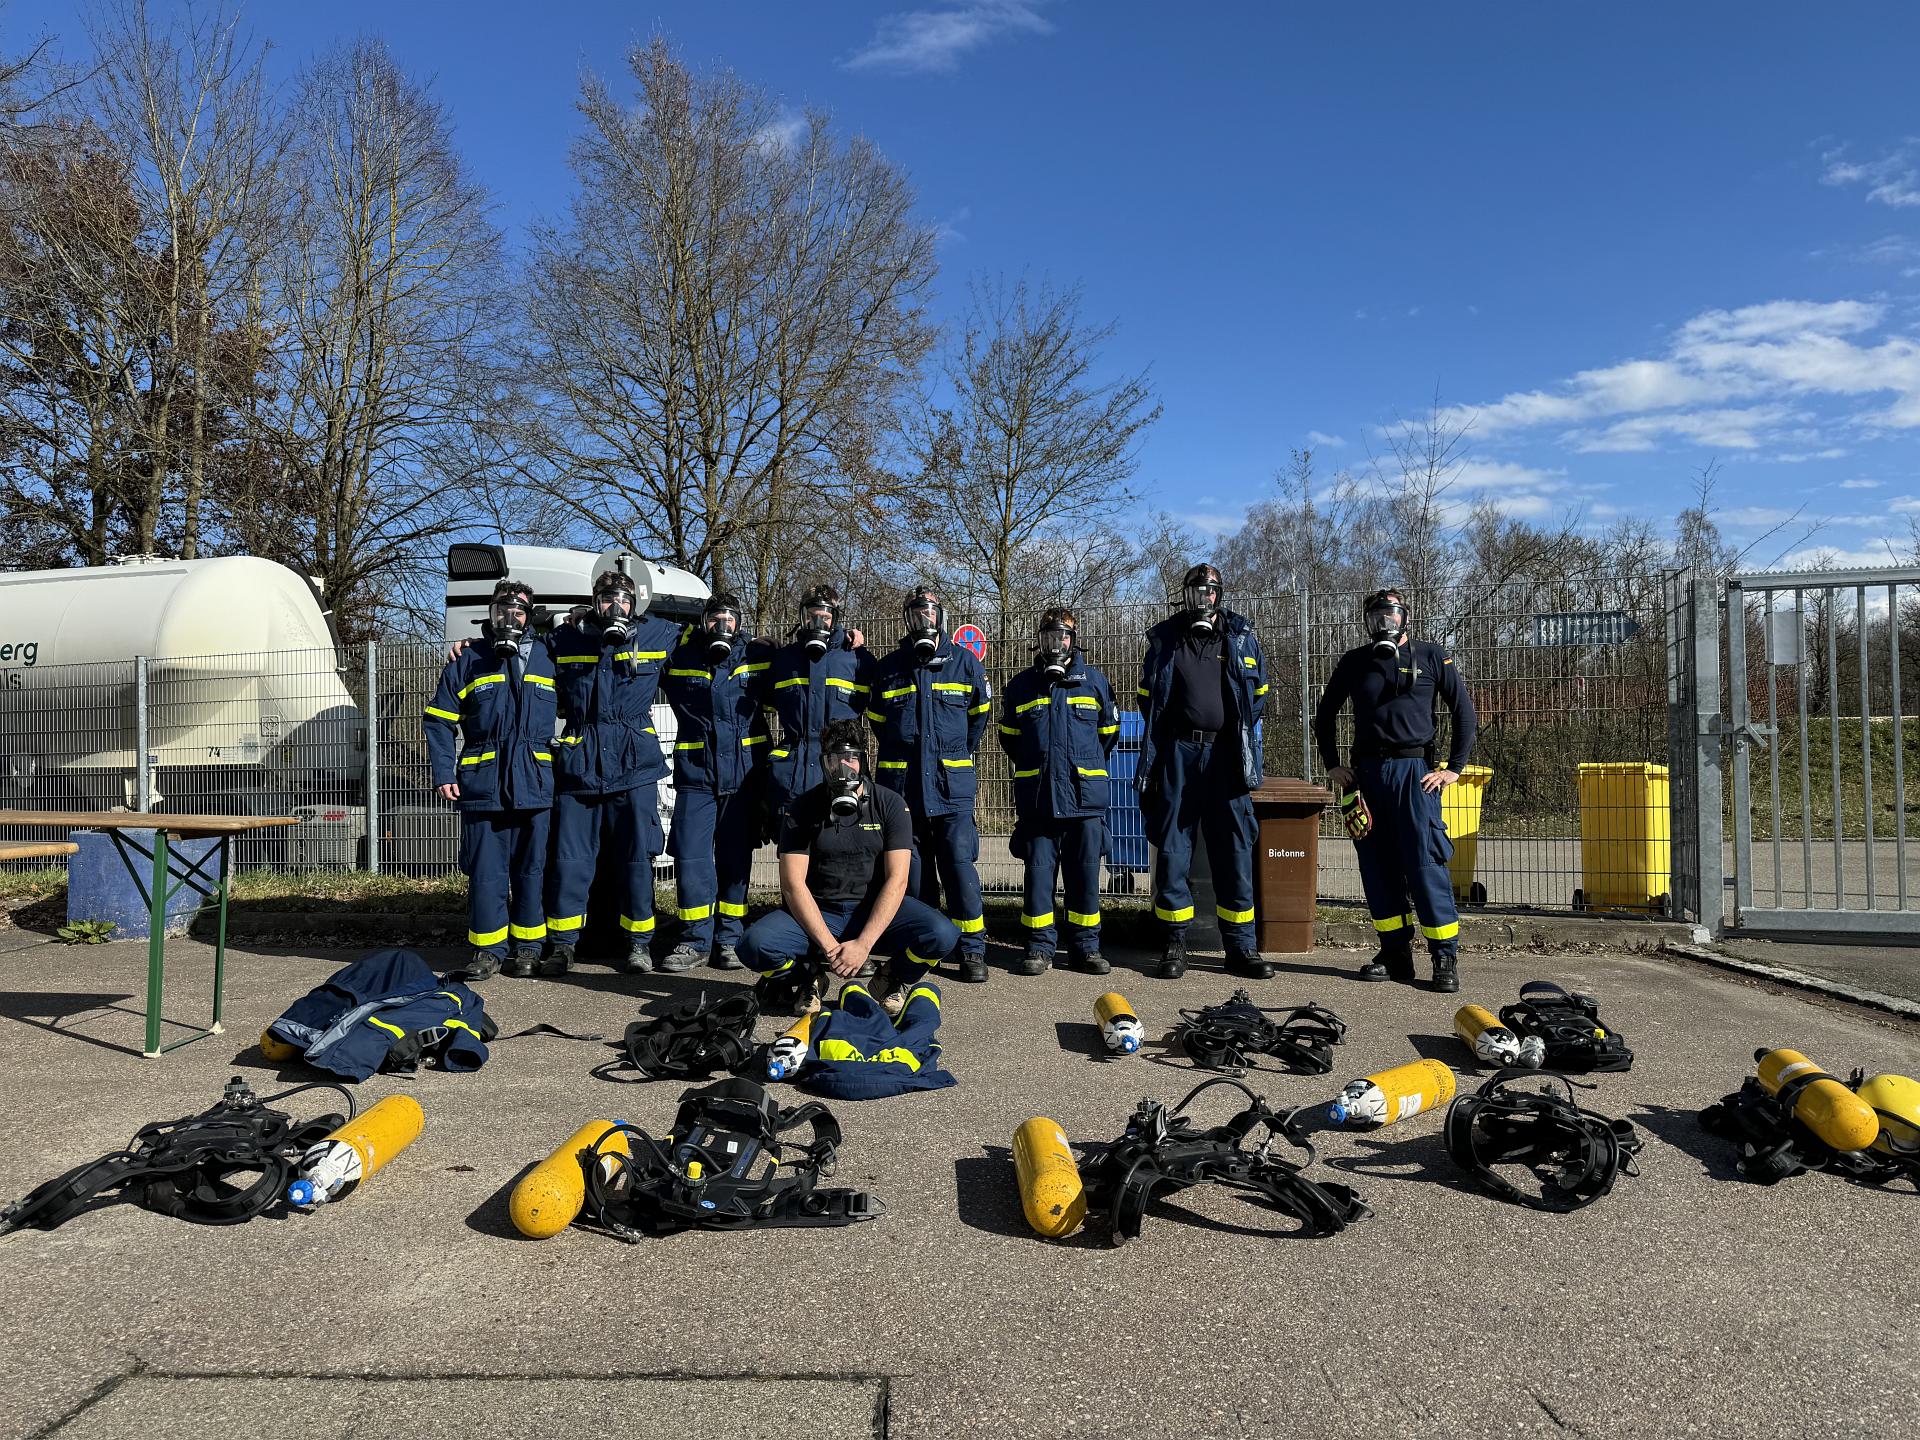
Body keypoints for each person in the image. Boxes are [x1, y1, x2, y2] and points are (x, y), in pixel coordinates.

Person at [1313, 586, 1478, 993]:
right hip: (1367, 775)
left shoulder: (1432, 656)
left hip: (1415, 773)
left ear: (1405, 617)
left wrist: (1453, 769)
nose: (1383, 624)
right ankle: (1394, 952)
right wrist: (1333, 765)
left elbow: (1464, 713)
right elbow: (1325, 715)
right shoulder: (1355, 662)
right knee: (1377, 867)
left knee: (1424, 865)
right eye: (1376, 617)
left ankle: (1444, 957)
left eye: (1390, 616)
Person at [738, 720, 960, 1014]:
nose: (845, 767)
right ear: (824, 763)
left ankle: (891, 978)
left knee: (942, 934)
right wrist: (831, 950)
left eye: (852, 758)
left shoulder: (890, 804)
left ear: (864, 760)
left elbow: (897, 881)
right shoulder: (803, 808)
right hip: (821, 910)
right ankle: (808, 979)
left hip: (871, 909)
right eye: (835, 759)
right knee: (752, 945)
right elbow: (793, 885)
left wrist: (864, 945)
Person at [541, 569, 683, 975]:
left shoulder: (658, 634)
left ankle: (639, 945)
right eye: (606, 599)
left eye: (623, 599)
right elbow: (521, 654)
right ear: (594, 600)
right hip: (580, 766)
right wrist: (469, 645)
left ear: (635, 602)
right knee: (570, 861)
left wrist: (759, 645)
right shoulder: (566, 639)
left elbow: (708, 643)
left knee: (636, 859)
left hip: (633, 765)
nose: (615, 607)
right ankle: (563, 945)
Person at [1135, 562, 1272, 980]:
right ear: (1186, 594)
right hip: (1179, 753)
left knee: (1234, 848)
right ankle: (1175, 943)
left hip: (1228, 756)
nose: (1204, 598)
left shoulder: (1241, 637)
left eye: (1211, 591)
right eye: (1197, 590)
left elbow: (1259, 696)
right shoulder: (1165, 640)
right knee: (1174, 848)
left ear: (1220, 595)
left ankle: (1240, 948)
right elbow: (1148, 699)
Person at [423, 579, 557, 981]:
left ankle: (529, 948)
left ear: (529, 615)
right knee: (486, 872)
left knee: (532, 871)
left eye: (518, 611)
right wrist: (445, 772)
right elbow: (439, 721)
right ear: (491, 614)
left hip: (534, 782)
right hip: (483, 784)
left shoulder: (550, 656)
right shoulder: (469, 658)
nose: (510, 618)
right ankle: (488, 950)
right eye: (502, 611)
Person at [865, 585, 992, 983]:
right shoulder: (889, 668)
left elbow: (979, 718)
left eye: (930, 614)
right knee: (913, 875)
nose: (924, 620)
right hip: (903, 791)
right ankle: (926, 946)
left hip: (951, 788)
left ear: (942, 618)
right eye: (917, 614)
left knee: (958, 869)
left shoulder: (965, 663)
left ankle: (972, 949)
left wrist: (949, 757)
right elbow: (879, 725)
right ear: (907, 619)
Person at [996, 607, 1120, 976]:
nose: (1057, 644)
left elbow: (1107, 736)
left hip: (1085, 802)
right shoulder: (1020, 687)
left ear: (1073, 640)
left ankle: (1086, 948)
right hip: (1039, 801)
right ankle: (1038, 947)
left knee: (1084, 878)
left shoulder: (1095, 683)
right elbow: (1011, 740)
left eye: (1063, 637)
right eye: (1050, 637)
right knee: (1037, 879)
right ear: (1039, 640)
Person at [658, 593, 772, 972]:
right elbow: (640, 653)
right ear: (702, 621)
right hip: (696, 775)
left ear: (740, 623)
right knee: (691, 858)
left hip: (743, 777)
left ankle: (729, 938)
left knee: (735, 858)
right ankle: (694, 939)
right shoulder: (680, 656)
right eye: (714, 617)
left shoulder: (757, 657)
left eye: (729, 617)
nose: (721, 624)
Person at [757, 583, 875, 828]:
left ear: (836, 618)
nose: (818, 623)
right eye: (811, 616)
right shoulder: (782, 661)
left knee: (839, 859)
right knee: (795, 859)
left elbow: (881, 715)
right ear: (802, 617)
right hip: (792, 780)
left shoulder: (858, 660)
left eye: (826, 617)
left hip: (841, 779)